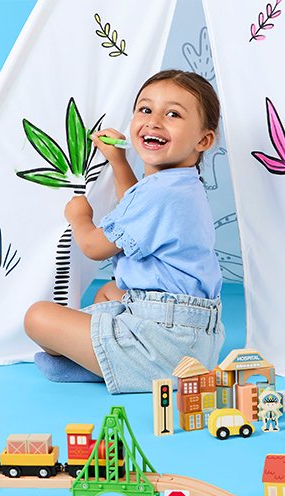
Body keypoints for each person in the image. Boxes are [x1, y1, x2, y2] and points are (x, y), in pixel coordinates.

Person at [24, 69, 225, 393]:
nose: (154, 121)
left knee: (37, 317)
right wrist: (118, 161)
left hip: (168, 339)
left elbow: (93, 246)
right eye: (145, 110)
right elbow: (134, 207)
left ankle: (135, 368)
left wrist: (79, 215)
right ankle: (119, 361)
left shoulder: (163, 193)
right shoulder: (177, 185)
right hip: (193, 332)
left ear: (203, 139)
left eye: (172, 114)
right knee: (108, 292)